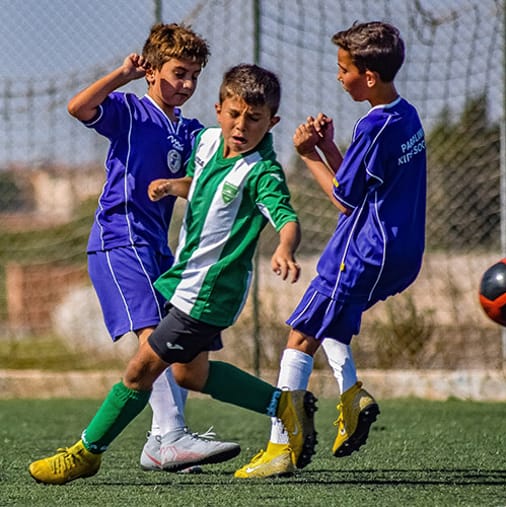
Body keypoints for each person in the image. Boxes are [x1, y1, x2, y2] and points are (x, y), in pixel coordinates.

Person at [28, 63, 318, 485]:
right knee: (190, 373)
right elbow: (201, 183)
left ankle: (87, 452)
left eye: (254, 119)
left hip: (207, 295)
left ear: (271, 121)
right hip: (183, 284)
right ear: (219, 109)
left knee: (139, 371)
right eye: (234, 114)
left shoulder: (261, 171)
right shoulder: (208, 143)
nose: (242, 126)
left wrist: (285, 248)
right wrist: (172, 186)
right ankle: (285, 405)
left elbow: (285, 217)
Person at [235, 21, 427, 478]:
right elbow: (365, 184)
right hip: (402, 254)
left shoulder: (374, 125)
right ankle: (352, 395)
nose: (339, 77)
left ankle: (280, 448)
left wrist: (305, 153)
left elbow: (344, 198)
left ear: (369, 77)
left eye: (344, 70)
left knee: (300, 334)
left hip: (363, 250)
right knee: (332, 321)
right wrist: (328, 146)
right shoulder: (408, 117)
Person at [65, 22, 240, 473]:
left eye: (194, 76)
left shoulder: (193, 131)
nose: (185, 84)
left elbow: (205, 182)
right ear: (152, 71)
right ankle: (171, 436)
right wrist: (120, 74)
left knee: (176, 344)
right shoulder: (128, 111)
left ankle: (161, 439)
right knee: (155, 337)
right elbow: (78, 106)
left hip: (158, 249)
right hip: (120, 239)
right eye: (178, 73)